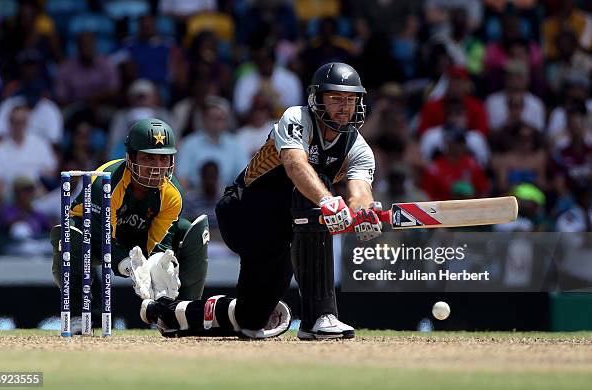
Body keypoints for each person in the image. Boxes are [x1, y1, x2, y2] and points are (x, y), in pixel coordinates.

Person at [140, 62, 380, 340]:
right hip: (244, 211)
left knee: (251, 319)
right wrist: (329, 201)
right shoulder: (296, 118)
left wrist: (363, 214)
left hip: (282, 230)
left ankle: (167, 313)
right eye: (336, 98)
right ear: (317, 99)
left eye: (351, 99)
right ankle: (319, 317)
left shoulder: (358, 147)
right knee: (319, 185)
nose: (344, 106)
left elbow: (360, 191)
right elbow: (295, 166)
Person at [49, 118, 209, 334]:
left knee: (190, 229)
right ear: (130, 157)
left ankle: (181, 315)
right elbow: (101, 238)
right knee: (68, 235)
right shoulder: (105, 182)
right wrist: (130, 266)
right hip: (92, 238)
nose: (157, 168)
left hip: (138, 239)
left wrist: (157, 266)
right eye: (148, 158)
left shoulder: (172, 193)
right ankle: (79, 315)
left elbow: (160, 244)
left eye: (164, 159)